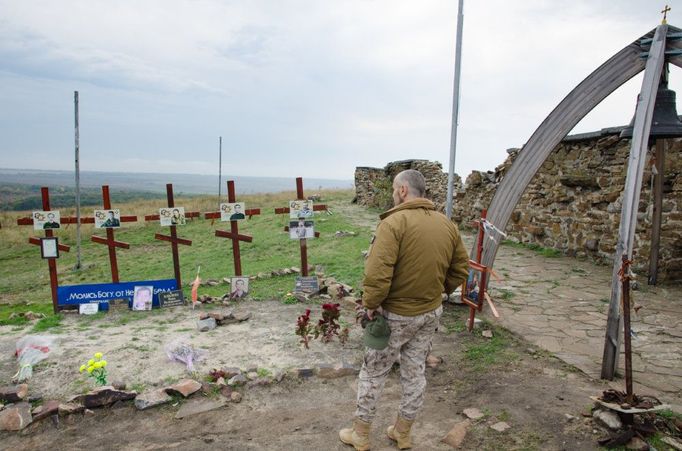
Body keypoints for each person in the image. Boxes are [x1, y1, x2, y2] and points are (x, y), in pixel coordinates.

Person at [339, 169, 469, 450]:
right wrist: (438, 291)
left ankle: (360, 434)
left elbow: (377, 273)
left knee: (373, 372)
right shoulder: (446, 224)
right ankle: (403, 432)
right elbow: (460, 267)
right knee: (414, 371)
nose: (392, 194)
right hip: (430, 312)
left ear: (401, 191)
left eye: (393, 190)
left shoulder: (393, 223)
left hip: (394, 315)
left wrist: (371, 304)